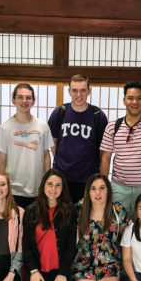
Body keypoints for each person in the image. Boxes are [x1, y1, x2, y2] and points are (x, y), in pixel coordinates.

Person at [100, 80, 141, 216]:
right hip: (118, 187)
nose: (135, 102)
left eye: (139, 98)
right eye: (130, 98)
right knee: (116, 226)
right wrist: (103, 186)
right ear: (124, 100)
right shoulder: (112, 126)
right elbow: (105, 159)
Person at [22, 169, 77, 281]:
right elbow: (26, 247)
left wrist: (63, 273)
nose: (53, 189)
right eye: (50, 184)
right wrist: (33, 271)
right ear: (43, 186)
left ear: (62, 188)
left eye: (58, 185)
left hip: (59, 270)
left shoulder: (70, 211)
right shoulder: (31, 211)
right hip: (37, 270)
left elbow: (71, 248)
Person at [48, 75, 108, 203]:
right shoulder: (59, 113)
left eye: (83, 90)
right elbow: (52, 142)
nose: (79, 95)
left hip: (88, 180)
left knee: (84, 219)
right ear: (69, 91)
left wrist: (102, 179)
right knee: (63, 218)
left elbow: (104, 150)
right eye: (74, 90)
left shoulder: (98, 116)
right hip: (62, 179)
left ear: (89, 91)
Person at [72, 174, 127, 281]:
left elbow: (127, 238)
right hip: (84, 261)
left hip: (109, 261)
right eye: (93, 188)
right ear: (88, 192)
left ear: (108, 190)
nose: (98, 193)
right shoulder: (80, 207)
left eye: (102, 188)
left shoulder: (117, 210)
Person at [0, 83, 53, 209]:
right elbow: (1, 160)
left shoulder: (42, 126)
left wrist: (47, 183)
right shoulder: (5, 127)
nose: (24, 101)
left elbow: (46, 157)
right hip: (13, 190)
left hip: (37, 189)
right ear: (13, 100)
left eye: (28, 98)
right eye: (20, 97)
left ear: (33, 101)